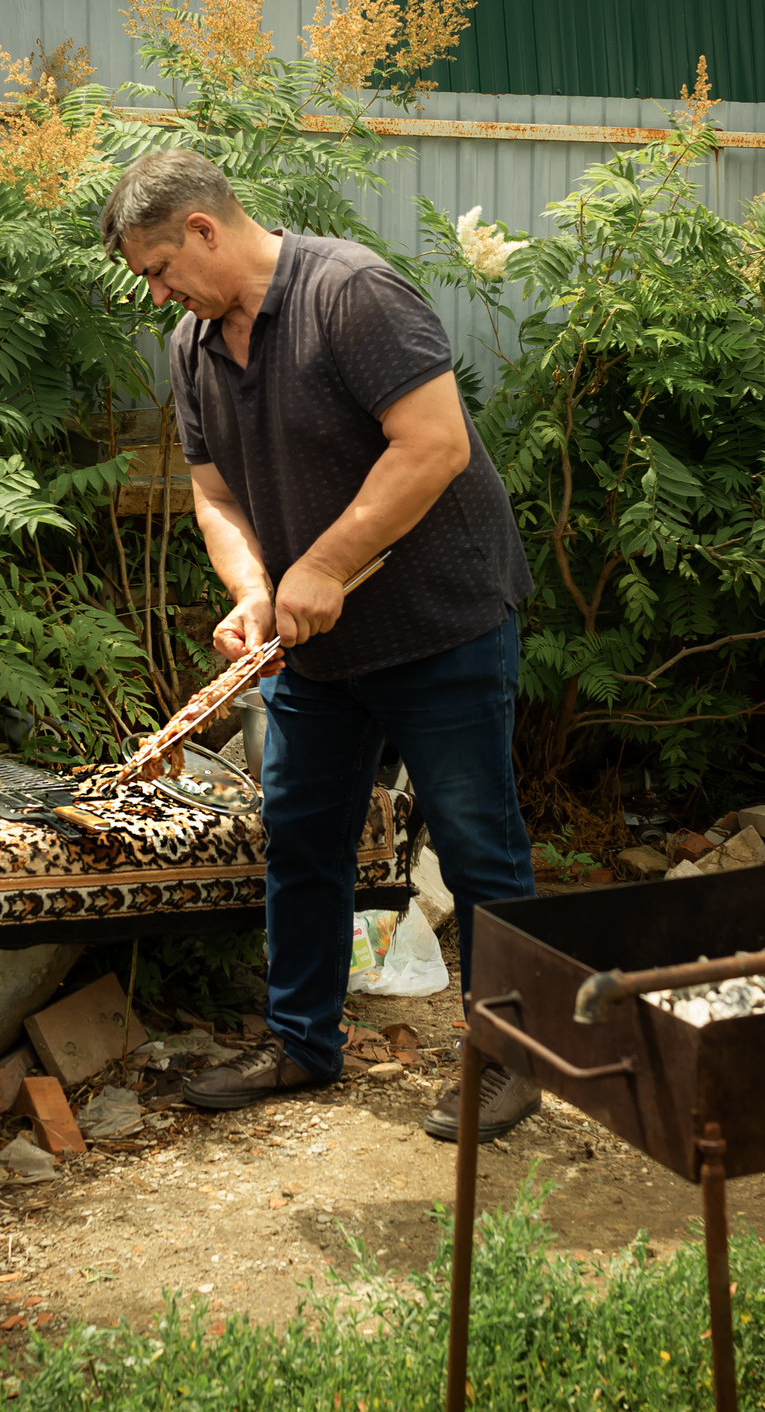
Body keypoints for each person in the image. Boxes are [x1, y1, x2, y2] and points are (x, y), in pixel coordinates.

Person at [97, 149, 546, 1142]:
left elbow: (433, 443)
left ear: (205, 229)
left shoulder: (350, 294)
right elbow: (212, 494)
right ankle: (300, 1042)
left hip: (443, 624)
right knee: (302, 840)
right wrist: (255, 588)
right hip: (315, 651)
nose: (159, 292)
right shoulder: (195, 343)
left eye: (161, 269)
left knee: (475, 846)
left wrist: (327, 563)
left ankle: (512, 1058)